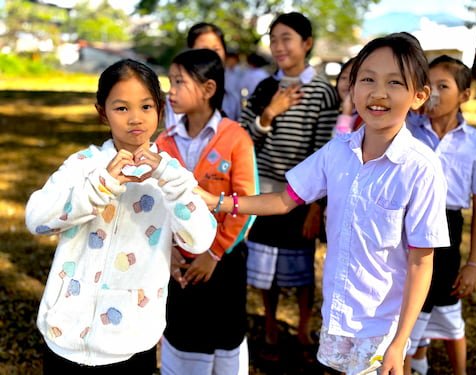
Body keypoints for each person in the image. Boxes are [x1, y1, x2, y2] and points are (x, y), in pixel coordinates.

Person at [199, 32, 452, 375]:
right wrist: (218, 201)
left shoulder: (421, 168)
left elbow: (422, 263)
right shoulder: (338, 151)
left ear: (418, 95)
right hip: (337, 314)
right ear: (350, 87)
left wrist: (399, 342)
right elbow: (284, 200)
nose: (378, 93)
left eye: (395, 82)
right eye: (367, 79)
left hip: (384, 328)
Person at [25, 59, 216, 374]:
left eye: (145, 106)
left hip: (130, 344)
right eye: (121, 108)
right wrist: (99, 187)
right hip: (64, 337)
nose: (135, 119)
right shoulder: (83, 165)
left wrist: (171, 182)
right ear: (102, 112)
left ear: (160, 109)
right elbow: (37, 219)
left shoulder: (171, 175)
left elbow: (200, 239)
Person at [238, 11, 340, 362]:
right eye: (273, 39)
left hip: (302, 196)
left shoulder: (323, 93)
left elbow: (325, 150)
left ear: (307, 43)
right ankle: (268, 322)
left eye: (287, 39)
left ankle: (302, 327)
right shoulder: (265, 87)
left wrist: (316, 205)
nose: (278, 47)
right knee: (265, 267)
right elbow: (244, 139)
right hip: (263, 191)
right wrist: (269, 114)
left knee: (301, 266)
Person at [155, 48, 258, 375]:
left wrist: (212, 254)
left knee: (224, 337)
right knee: (182, 336)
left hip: (223, 260)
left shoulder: (236, 138)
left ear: (208, 89)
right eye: (170, 82)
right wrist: (170, 251)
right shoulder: (164, 141)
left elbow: (246, 205)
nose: (170, 91)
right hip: (178, 263)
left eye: (179, 82)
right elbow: (155, 204)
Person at [405, 55, 476, 375]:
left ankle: (427, 361)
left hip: (448, 228)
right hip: (406, 224)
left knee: (442, 304)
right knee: (407, 307)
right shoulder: (406, 130)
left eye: (443, 86)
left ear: (464, 95)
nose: (432, 92)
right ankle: (413, 359)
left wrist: (473, 263)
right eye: (428, 85)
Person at [332, 57, 363, 136]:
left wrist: (346, 114)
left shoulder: (364, 118)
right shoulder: (334, 109)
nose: (348, 83)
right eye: (344, 77)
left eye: (354, 78)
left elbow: (340, 144)